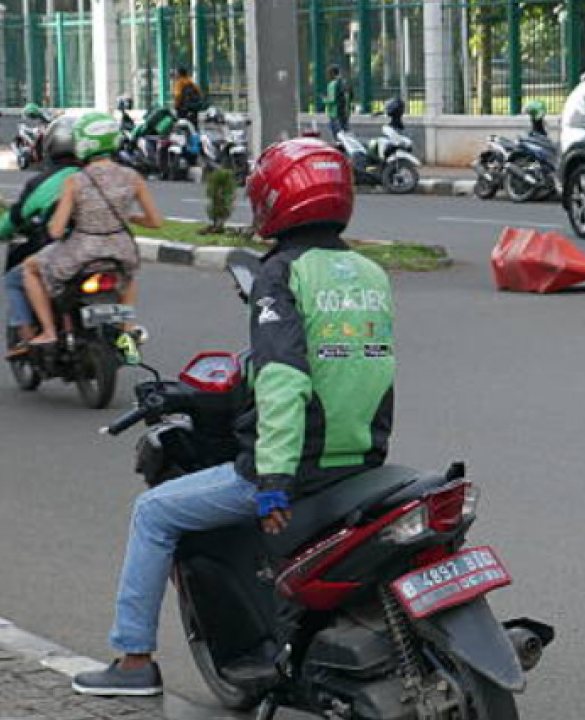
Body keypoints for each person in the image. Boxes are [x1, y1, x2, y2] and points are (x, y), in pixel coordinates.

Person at [71, 138, 396, 697]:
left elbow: (284, 379)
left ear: (275, 199)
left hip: (299, 466)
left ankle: (132, 662)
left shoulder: (282, 273)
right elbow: (350, 364)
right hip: (363, 461)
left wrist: (272, 482)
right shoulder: (368, 272)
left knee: (152, 513)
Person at [21, 113, 163, 347]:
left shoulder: (75, 180)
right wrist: (129, 217)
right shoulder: (132, 177)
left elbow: (56, 231)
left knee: (30, 268)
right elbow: (156, 221)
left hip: (81, 252)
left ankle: (48, 331)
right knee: (127, 276)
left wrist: (51, 224)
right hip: (121, 250)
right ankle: (127, 328)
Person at [0, 115, 80, 352]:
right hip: (105, 250)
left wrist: (0, 229)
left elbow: (15, 218)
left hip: (63, 251)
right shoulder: (96, 175)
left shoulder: (43, 182)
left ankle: (29, 335)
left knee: (15, 278)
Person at [325, 65, 350, 138]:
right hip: (343, 113)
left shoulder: (331, 84)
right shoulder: (343, 82)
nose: (328, 76)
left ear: (332, 74)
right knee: (346, 136)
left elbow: (332, 100)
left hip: (334, 114)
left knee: (337, 137)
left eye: (329, 74)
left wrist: (324, 100)